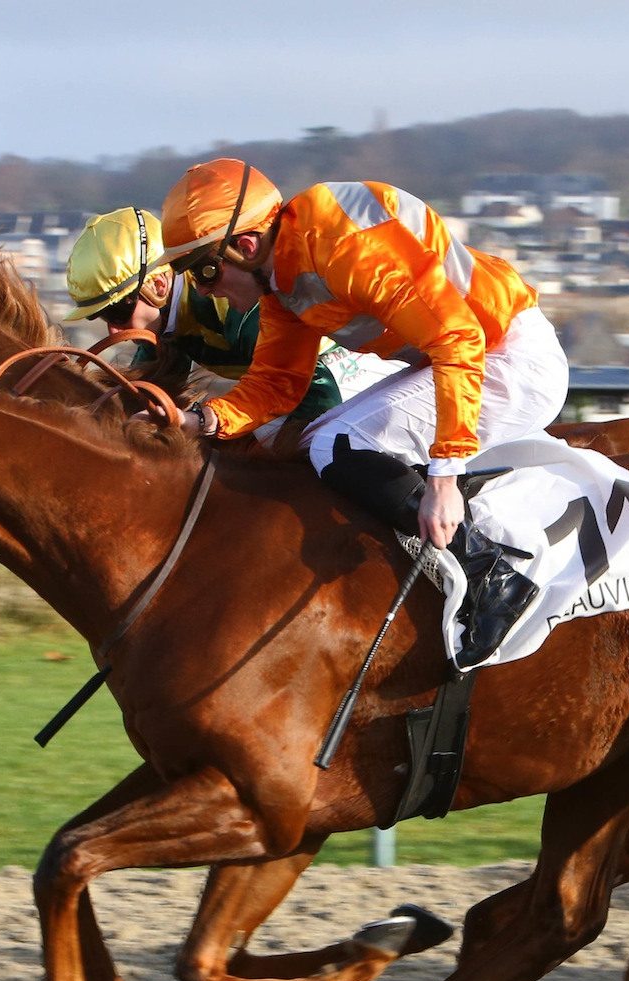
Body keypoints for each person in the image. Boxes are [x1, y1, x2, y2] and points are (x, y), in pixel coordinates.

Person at [154, 159, 568, 669]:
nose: (200, 289)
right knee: (319, 440)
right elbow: (277, 383)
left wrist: (443, 476)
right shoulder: (283, 275)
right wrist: (199, 421)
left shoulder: (340, 245)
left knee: (338, 444)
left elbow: (457, 338)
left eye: (204, 270)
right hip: (463, 360)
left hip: (504, 358)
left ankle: (492, 576)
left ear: (245, 245)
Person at [63, 206, 348, 437]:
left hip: (338, 374)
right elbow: (144, 394)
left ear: (159, 285)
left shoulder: (236, 309)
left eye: (117, 313)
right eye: (102, 317)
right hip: (293, 389)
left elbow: (318, 397)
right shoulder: (163, 324)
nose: (113, 329)